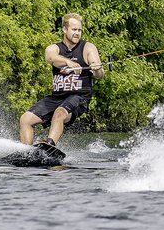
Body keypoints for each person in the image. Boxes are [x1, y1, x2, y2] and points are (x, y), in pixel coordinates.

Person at [19, 13, 104, 146]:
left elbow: (99, 75)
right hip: (57, 97)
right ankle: (26, 151)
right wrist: (67, 62)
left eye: (80, 30)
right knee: (25, 119)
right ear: (65, 29)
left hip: (79, 97)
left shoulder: (88, 48)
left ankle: (49, 145)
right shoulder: (54, 48)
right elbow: (52, 58)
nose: (77, 33)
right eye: (74, 30)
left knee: (59, 113)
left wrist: (97, 69)